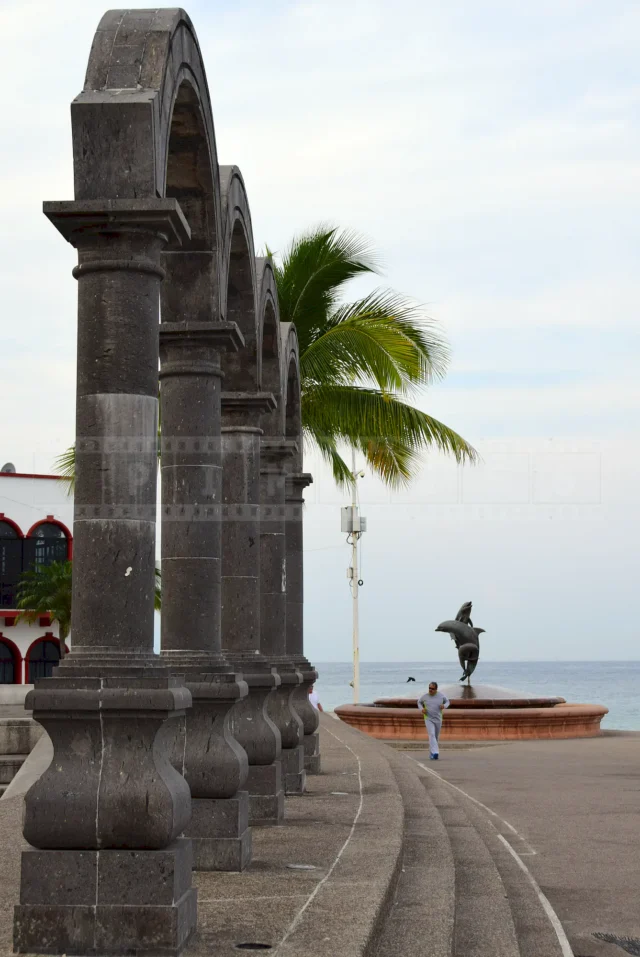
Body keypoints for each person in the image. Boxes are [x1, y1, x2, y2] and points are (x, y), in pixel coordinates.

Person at [417, 681, 450, 760]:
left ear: (436, 689)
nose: (430, 690)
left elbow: (448, 702)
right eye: (429, 688)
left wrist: (444, 706)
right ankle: (435, 752)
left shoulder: (441, 696)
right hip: (428, 718)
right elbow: (419, 702)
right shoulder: (425, 696)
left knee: (435, 736)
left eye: (432, 689)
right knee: (431, 734)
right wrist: (422, 709)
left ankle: (432, 752)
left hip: (438, 719)